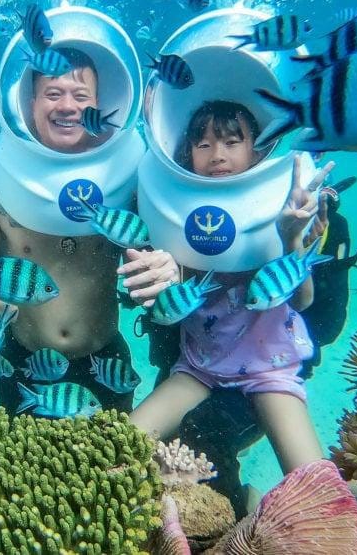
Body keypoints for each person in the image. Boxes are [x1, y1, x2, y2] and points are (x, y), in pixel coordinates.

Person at [0, 40, 174, 414]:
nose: (67, 105)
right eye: (52, 93)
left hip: (105, 360)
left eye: (81, 95)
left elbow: (156, 269)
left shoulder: (124, 185)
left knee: (115, 470)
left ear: (100, 104)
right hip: (24, 362)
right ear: (29, 104)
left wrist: (168, 268)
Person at [129, 100, 332, 487]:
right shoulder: (174, 211)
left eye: (231, 142)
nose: (217, 155)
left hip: (270, 368)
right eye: (203, 145)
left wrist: (290, 237)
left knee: (314, 485)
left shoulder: (280, 208)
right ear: (187, 153)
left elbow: (302, 301)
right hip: (198, 366)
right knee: (121, 444)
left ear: (258, 148)